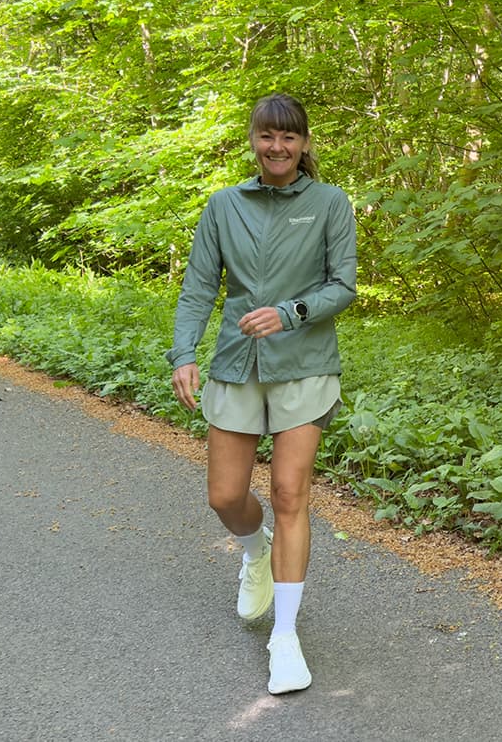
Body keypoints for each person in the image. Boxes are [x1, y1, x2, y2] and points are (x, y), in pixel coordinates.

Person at [166, 93, 356, 694]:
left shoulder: (330, 203)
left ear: (304, 144)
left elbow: (343, 284)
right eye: (267, 137)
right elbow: (199, 288)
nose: (278, 148)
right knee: (225, 496)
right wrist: (184, 353)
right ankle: (256, 554)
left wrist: (291, 312)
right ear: (253, 140)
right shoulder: (224, 205)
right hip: (236, 363)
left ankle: (286, 637)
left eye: (289, 137)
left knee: (288, 491)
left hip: (305, 365)